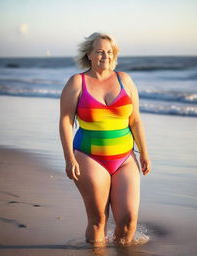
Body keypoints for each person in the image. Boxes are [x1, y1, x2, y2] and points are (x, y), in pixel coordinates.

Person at [59, 32, 151, 246]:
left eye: (109, 52)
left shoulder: (125, 80)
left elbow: (135, 120)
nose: (105, 56)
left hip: (125, 158)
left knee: (128, 221)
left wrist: (144, 152)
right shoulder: (76, 82)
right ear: (89, 55)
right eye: (99, 51)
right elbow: (65, 122)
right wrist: (69, 158)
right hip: (89, 156)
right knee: (98, 220)